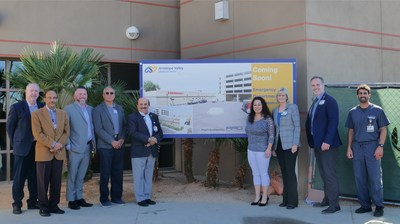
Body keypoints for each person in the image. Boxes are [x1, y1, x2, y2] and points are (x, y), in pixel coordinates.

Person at [345, 84, 389, 218]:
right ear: (357, 95)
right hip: (357, 147)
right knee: (359, 177)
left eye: (365, 93)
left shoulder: (377, 110)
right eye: (360, 93)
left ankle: (379, 206)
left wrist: (380, 146)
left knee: (375, 178)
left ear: (369, 95)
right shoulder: (353, 112)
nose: (362, 95)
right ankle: (365, 205)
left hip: (373, 146)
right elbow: (351, 131)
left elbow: (383, 130)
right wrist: (349, 147)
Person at [305, 76, 342, 214]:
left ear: (323, 85)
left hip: (328, 145)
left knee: (330, 174)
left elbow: (333, 122)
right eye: (313, 85)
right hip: (317, 144)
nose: (315, 87)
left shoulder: (329, 101)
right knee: (323, 173)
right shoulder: (315, 102)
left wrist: (327, 141)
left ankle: (334, 205)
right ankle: (327, 200)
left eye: (317, 84)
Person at [7, 83, 44, 214]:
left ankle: (33, 202)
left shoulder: (42, 106)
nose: (33, 93)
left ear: (39, 93)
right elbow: (10, 129)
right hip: (22, 148)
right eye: (31, 91)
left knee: (35, 177)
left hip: (38, 147)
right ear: (26, 92)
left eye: (36, 91)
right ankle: (17, 204)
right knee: (19, 178)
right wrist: (16, 143)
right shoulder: (17, 107)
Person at [31, 90, 70, 217]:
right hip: (44, 152)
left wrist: (59, 145)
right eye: (49, 98)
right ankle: (43, 207)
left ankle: (54, 205)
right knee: (42, 182)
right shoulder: (37, 114)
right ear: (45, 99)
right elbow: (38, 134)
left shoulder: (63, 113)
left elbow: (66, 132)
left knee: (56, 181)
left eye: (54, 98)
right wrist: (53, 144)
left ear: (56, 99)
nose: (52, 100)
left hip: (58, 152)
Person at [93, 86, 127, 207]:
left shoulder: (120, 108)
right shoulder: (98, 110)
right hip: (105, 146)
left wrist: (122, 139)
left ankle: (116, 197)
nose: (109, 94)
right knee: (105, 173)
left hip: (119, 145)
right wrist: (112, 141)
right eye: (106, 93)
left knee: (118, 172)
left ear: (114, 95)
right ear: (103, 95)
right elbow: (98, 129)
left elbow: (124, 125)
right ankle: (104, 199)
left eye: (111, 93)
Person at [128, 98, 163, 207]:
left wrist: (154, 140)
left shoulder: (154, 116)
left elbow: (160, 132)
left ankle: (147, 196)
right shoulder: (132, 117)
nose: (143, 106)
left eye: (145, 104)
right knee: (138, 176)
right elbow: (133, 133)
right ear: (137, 105)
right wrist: (148, 139)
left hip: (151, 151)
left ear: (148, 105)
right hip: (139, 150)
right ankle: (140, 198)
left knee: (148, 175)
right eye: (141, 104)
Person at [65, 87, 95, 210]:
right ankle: (71, 200)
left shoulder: (90, 109)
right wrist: (68, 144)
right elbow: (65, 128)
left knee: (81, 174)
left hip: (88, 146)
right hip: (74, 147)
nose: (82, 96)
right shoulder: (69, 109)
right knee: (73, 174)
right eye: (80, 94)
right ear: (75, 96)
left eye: (84, 94)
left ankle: (79, 197)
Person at [272, 87, 300, 209]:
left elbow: (297, 126)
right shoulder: (274, 110)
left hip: (290, 145)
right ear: (277, 97)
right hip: (279, 145)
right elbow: (275, 129)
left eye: (283, 95)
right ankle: (285, 200)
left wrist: (295, 143)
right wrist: (273, 146)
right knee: (284, 172)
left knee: (290, 172)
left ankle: (293, 201)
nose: (281, 97)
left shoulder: (292, 108)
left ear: (287, 97)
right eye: (279, 95)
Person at [245, 96, 274, 207]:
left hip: (263, 150)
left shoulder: (268, 119)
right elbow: (248, 132)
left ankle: (265, 197)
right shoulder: (249, 118)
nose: (257, 106)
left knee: (263, 173)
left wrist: (268, 148)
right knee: (255, 173)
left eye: (259, 104)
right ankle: (257, 196)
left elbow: (271, 135)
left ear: (263, 106)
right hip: (251, 150)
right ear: (252, 106)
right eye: (255, 105)